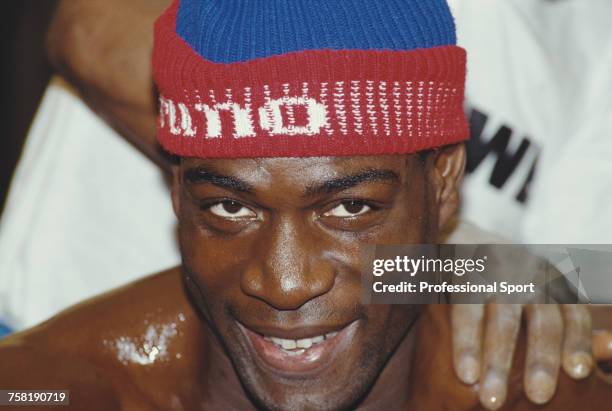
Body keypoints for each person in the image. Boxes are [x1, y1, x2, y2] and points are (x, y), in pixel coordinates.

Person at [1, 1, 610, 410]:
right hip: (70, 319)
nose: (287, 282)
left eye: (350, 207)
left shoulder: (589, 30)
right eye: (226, 204)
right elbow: (84, 26)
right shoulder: (45, 383)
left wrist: (464, 261)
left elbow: (596, 274)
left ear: (447, 176)